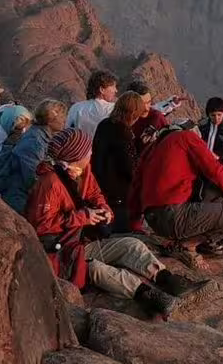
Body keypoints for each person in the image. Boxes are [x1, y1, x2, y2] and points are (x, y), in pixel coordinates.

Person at [26, 128, 207, 320]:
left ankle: (169, 281)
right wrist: (82, 216)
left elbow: (95, 194)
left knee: (131, 245)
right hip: (61, 254)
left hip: (79, 242)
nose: (91, 153)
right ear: (76, 156)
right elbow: (41, 228)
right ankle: (150, 296)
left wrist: (104, 210)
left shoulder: (82, 171)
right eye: (87, 152)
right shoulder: (49, 184)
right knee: (97, 269)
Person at [129, 120, 223, 269]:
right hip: (175, 217)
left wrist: (134, 223)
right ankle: (187, 244)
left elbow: (136, 185)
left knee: (214, 189)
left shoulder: (152, 148)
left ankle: (189, 240)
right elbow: (213, 168)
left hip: (154, 220)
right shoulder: (186, 137)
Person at [0, 99, 67, 213]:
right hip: (19, 197)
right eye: (62, 116)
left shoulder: (40, 135)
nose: (65, 120)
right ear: (50, 120)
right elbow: (31, 176)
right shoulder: (35, 141)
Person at [92, 91, 143, 233]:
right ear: (133, 113)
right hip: (118, 193)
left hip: (99, 186)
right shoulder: (123, 133)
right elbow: (129, 167)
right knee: (119, 233)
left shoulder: (104, 124)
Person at [196, 97, 223, 202]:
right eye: (213, 115)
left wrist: (220, 158)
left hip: (219, 168)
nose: (216, 118)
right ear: (208, 115)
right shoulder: (201, 130)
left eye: (219, 115)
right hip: (200, 167)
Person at [126, 81, 182, 153]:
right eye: (141, 104)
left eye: (149, 102)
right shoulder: (119, 119)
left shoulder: (156, 118)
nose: (146, 108)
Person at [66, 70, 118, 139]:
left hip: (81, 148)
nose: (116, 90)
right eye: (113, 87)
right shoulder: (114, 108)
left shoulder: (76, 107)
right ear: (102, 89)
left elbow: (66, 132)